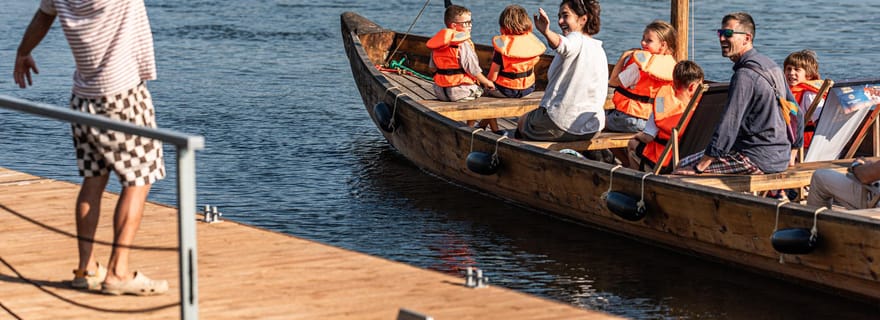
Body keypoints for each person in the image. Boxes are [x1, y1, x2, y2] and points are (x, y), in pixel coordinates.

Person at [14, 0, 168, 295]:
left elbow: (43, 16)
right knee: (140, 180)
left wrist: (23, 52)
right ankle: (118, 272)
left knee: (94, 179)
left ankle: (86, 269)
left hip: (84, 97)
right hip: (122, 95)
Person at [674, 12, 803, 175]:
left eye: (728, 34)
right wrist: (793, 154)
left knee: (680, 167)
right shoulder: (772, 66)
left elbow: (729, 124)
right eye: (720, 33)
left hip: (754, 157)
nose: (721, 39)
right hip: (780, 157)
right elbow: (796, 112)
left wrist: (700, 166)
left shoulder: (744, 75)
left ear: (747, 38)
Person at [516, 0, 608, 142]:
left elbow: (563, 45)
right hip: (592, 128)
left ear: (583, 19)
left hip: (561, 125)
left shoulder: (575, 38)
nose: (560, 21)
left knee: (523, 121)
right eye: (559, 16)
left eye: (565, 16)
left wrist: (546, 32)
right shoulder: (599, 48)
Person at [479, 4, 547, 132]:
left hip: (506, 90)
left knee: (484, 91)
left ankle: (489, 128)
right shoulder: (531, 42)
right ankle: (487, 127)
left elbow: (492, 77)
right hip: (528, 88)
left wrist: (483, 84)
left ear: (503, 27)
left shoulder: (502, 46)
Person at [627, 60, 704, 171]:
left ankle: (637, 182)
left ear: (674, 82)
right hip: (692, 160)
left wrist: (638, 136)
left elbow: (648, 137)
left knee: (632, 143)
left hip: (664, 163)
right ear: (692, 87)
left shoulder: (662, 104)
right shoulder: (702, 107)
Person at [607, 20, 678, 133]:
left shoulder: (640, 65)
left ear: (663, 45)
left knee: (593, 121)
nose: (643, 43)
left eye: (648, 41)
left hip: (629, 119)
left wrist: (623, 56)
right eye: (643, 39)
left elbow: (613, 82)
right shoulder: (673, 67)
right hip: (652, 123)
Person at [427, 4, 495, 104]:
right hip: (460, 92)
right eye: (466, 23)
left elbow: (432, 68)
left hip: (441, 92)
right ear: (454, 26)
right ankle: (474, 120)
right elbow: (473, 70)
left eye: (470, 22)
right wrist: (487, 82)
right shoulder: (462, 44)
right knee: (486, 92)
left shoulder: (439, 43)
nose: (470, 25)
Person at [784, 49, 824, 149]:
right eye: (788, 69)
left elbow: (821, 121)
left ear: (809, 75)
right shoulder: (784, 91)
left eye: (797, 70)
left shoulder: (810, 95)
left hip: (808, 147)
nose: (791, 73)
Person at [807, 158, 880, 210]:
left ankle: (816, 226)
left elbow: (864, 176)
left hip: (874, 200)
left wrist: (856, 165)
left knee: (819, 178)